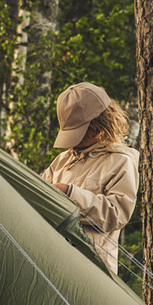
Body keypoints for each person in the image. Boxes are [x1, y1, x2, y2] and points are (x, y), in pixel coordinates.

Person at [41, 82, 139, 274]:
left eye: (79, 135)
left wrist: (70, 193)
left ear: (100, 126)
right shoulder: (62, 161)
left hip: (93, 271)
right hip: (54, 263)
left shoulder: (120, 161)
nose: (73, 143)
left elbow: (117, 214)